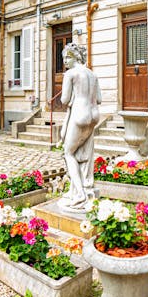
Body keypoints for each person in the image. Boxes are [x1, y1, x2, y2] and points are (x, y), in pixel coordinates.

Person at [57, 43, 102, 210]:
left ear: (76, 57)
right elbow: (99, 98)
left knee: (68, 153)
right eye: (64, 58)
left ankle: (80, 195)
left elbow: (64, 100)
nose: (65, 62)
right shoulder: (92, 74)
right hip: (94, 115)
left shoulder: (71, 73)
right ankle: (81, 186)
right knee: (82, 151)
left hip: (79, 115)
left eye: (67, 57)